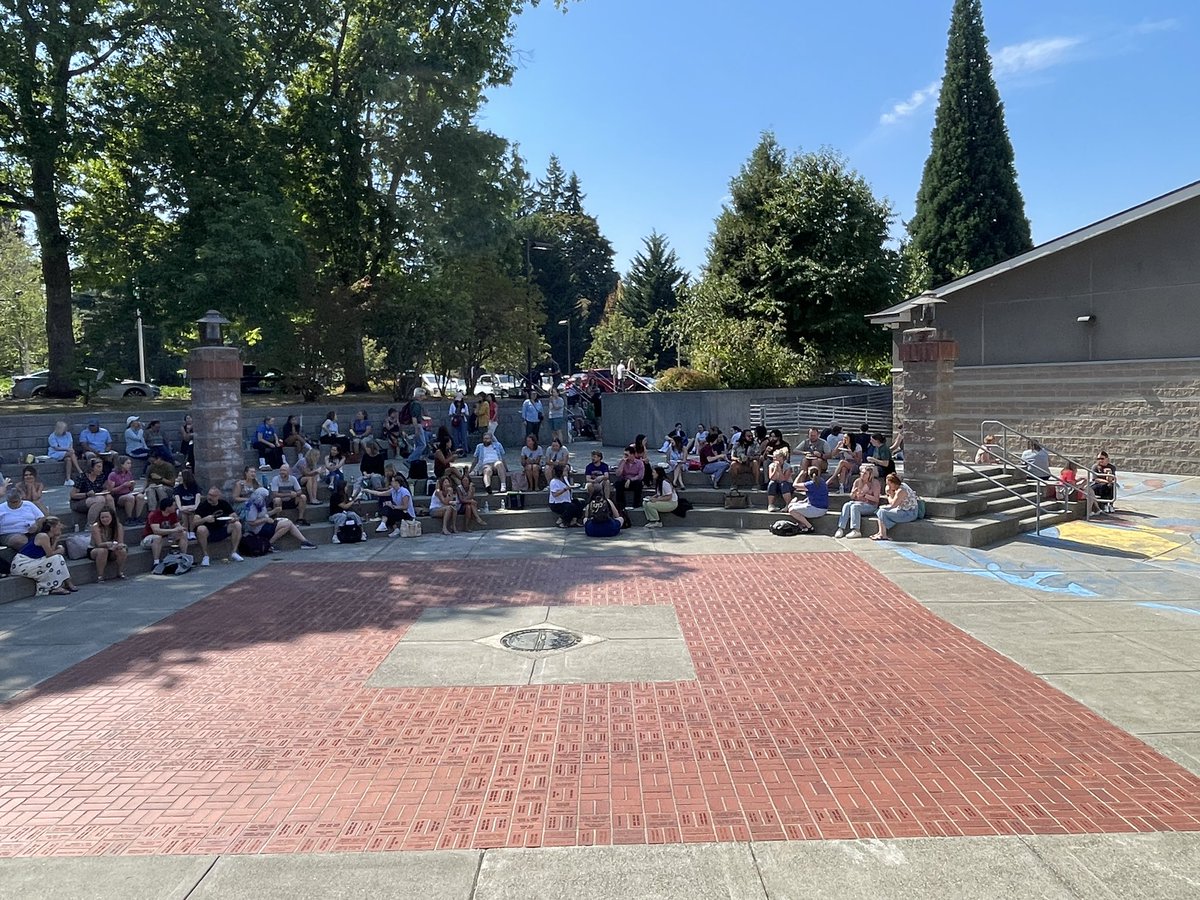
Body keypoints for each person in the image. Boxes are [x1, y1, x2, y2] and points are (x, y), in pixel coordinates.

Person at [11, 517, 77, 595]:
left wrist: (56, 539)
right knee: (57, 558)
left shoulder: (49, 537)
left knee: (57, 558)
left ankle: (67, 582)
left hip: (34, 561)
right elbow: (50, 554)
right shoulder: (43, 536)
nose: (61, 527)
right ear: (52, 528)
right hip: (23, 564)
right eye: (59, 525)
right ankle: (55, 586)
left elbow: (50, 552)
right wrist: (59, 551)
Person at [242, 487, 318, 550]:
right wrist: (266, 519)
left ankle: (304, 541)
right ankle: (269, 544)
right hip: (258, 529)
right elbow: (251, 522)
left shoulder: (260, 503)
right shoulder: (252, 506)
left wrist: (274, 511)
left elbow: (263, 515)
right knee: (288, 524)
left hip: (264, 524)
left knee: (288, 522)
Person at [194, 486, 245, 566]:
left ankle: (234, 552)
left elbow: (234, 515)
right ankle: (205, 556)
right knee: (201, 529)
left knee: (237, 525)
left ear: (218, 496)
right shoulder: (202, 506)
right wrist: (205, 519)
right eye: (209, 495)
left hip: (222, 529)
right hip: (209, 532)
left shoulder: (223, 504)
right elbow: (194, 522)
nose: (210, 497)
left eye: (213, 496)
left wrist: (233, 519)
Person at [833, 464, 880, 539]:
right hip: (858, 503)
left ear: (870, 475)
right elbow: (852, 497)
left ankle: (856, 530)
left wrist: (865, 495)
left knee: (855, 507)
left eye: (865, 474)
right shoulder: (857, 481)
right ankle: (841, 528)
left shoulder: (875, 483)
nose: (863, 475)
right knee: (847, 505)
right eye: (862, 473)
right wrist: (853, 493)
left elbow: (876, 499)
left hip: (871, 505)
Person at [142, 496, 190, 566]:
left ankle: (183, 557)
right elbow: (156, 531)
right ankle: (156, 562)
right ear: (168, 507)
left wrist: (181, 528)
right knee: (157, 537)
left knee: (183, 534)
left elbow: (177, 526)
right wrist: (174, 530)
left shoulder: (172, 514)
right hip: (149, 539)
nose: (175, 507)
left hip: (165, 538)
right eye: (174, 505)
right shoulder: (154, 515)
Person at [873, 473, 920, 541]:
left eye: (889, 484)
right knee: (880, 511)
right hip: (903, 509)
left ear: (894, 483)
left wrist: (889, 494)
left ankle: (883, 535)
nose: (888, 486)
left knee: (881, 511)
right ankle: (880, 533)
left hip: (909, 513)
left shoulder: (901, 491)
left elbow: (893, 505)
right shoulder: (900, 486)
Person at [70, 457, 116, 525]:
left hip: (96, 497)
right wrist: (86, 494)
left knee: (109, 498)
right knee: (100, 499)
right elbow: (73, 495)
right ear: (91, 467)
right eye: (98, 467)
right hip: (79, 501)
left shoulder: (100, 476)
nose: (100, 469)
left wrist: (106, 489)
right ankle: (90, 524)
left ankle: (114, 521)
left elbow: (102, 488)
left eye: (101, 467)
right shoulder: (82, 477)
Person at [103, 456, 146, 525]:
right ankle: (129, 518)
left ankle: (138, 517)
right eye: (128, 463)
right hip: (118, 496)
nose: (130, 465)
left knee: (140, 496)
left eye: (130, 463)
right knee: (130, 498)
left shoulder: (129, 473)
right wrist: (123, 486)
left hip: (128, 493)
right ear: (122, 464)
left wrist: (132, 485)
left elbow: (131, 489)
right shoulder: (113, 475)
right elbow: (111, 491)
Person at [89, 508, 128, 581]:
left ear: (112, 517)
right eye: (102, 517)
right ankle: (100, 576)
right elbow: (99, 544)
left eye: (107, 517)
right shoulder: (95, 526)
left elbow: (120, 542)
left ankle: (120, 572)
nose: (104, 519)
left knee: (122, 551)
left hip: (112, 548)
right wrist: (108, 544)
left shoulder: (118, 526)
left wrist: (118, 546)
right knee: (103, 551)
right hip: (95, 549)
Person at [0, 486, 44, 551]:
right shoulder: (1, 508)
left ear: (20, 498)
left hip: (31, 531)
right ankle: (34, 555)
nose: (13, 504)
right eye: (10, 502)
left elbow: (41, 518)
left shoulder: (28, 504)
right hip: (10, 534)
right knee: (19, 540)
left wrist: (36, 525)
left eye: (15, 502)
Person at [786, 467, 829, 533]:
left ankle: (809, 527)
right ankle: (803, 525)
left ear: (809, 475)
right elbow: (816, 495)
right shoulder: (822, 481)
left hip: (817, 509)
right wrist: (803, 501)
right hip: (822, 508)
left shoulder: (811, 484)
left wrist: (800, 474)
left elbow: (794, 485)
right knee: (792, 505)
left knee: (791, 510)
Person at [613, 446, 645, 519]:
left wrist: (631, 480)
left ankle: (636, 503)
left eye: (627, 455)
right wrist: (622, 463)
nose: (625, 457)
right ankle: (621, 505)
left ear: (632, 455)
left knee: (639, 484)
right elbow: (618, 474)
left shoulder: (639, 463)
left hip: (634, 480)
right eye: (624, 455)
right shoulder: (622, 462)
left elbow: (640, 476)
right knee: (618, 484)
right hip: (624, 480)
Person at [47, 420, 82, 485]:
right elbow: (56, 448)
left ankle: (68, 479)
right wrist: (68, 449)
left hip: (67, 453)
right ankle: (79, 471)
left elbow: (71, 444)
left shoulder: (68, 434)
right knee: (71, 454)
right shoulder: (52, 436)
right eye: (64, 429)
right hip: (56, 453)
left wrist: (70, 449)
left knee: (68, 459)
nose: (66, 430)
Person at [174, 468, 202, 537]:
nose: (178, 478)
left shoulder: (195, 487)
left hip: (192, 509)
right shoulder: (177, 489)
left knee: (191, 513)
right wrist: (184, 508)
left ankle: (191, 532)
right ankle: (187, 532)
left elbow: (197, 503)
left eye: (180, 476)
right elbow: (179, 505)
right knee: (184, 513)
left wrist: (190, 508)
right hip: (182, 510)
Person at [765, 449, 794, 513]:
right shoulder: (771, 465)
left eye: (776, 457)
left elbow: (783, 479)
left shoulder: (788, 467)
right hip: (777, 485)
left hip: (787, 486)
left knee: (783, 484)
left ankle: (788, 505)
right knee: (772, 483)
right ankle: (770, 505)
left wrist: (779, 469)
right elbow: (772, 478)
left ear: (781, 457)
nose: (774, 458)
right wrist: (775, 469)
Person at [405, 389, 428, 464]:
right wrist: (416, 429)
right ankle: (410, 460)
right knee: (422, 445)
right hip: (417, 425)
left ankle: (415, 461)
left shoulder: (412, 403)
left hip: (414, 425)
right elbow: (414, 417)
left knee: (417, 444)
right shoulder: (416, 405)